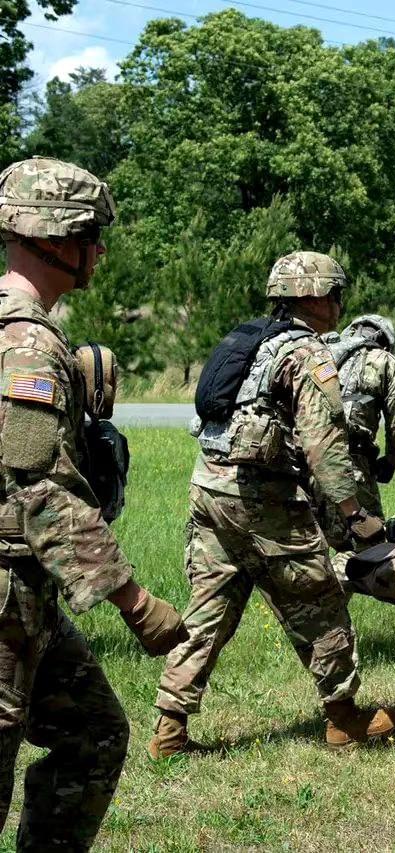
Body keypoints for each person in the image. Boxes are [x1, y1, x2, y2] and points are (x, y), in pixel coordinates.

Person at [0, 157, 188, 849]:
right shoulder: (23, 344)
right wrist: (135, 602)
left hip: (29, 592)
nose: (100, 250)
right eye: (91, 234)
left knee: (94, 734)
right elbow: (40, 488)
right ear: (54, 238)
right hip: (5, 595)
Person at [150, 251, 395, 758]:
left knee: (210, 610)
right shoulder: (306, 354)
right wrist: (357, 516)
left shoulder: (252, 342)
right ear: (312, 296)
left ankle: (169, 729)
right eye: (334, 293)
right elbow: (323, 446)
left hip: (210, 490)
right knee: (321, 599)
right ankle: (343, 718)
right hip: (262, 499)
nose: (338, 304)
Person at [316, 315, 395, 579]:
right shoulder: (382, 361)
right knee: (370, 543)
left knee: (314, 542)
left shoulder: (320, 353)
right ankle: (327, 599)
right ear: (385, 341)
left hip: (306, 463)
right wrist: (393, 460)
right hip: (351, 464)